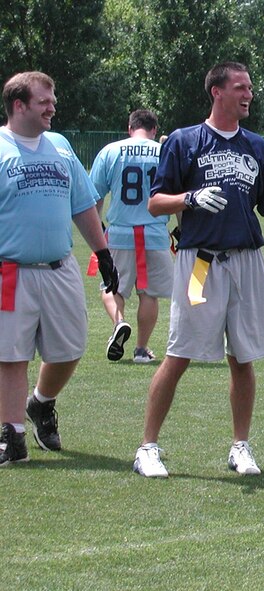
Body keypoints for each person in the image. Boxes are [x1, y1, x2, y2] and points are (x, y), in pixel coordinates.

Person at [132, 61, 264, 478]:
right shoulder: (183, 141)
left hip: (247, 261)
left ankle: (241, 446)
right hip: (199, 262)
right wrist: (190, 199)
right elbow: (156, 203)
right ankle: (148, 447)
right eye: (240, 87)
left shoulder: (255, 146)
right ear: (217, 91)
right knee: (179, 353)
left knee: (243, 356)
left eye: (250, 87)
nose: (248, 94)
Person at [0, 71, 118, 466]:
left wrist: (103, 254)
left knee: (70, 348)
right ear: (19, 105)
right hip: (10, 269)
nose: (52, 107)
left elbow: (82, 204)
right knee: (11, 355)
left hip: (59, 266)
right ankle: (11, 434)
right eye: (43, 101)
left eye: (52, 99)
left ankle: (41, 403)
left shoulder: (61, 145)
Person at [90, 109, 172, 364]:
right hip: (155, 233)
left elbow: (94, 197)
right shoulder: (164, 153)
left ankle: (119, 322)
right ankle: (140, 349)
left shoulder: (110, 151)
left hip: (120, 233)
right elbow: (176, 196)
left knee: (112, 287)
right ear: (155, 129)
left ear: (129, 128)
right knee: (149, 294)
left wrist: (97, 232)